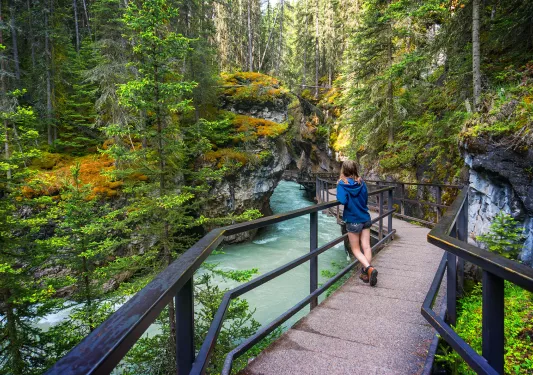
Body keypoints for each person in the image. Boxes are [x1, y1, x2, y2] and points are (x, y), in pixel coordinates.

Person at [336, 160, 378, 286]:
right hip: (365, 218)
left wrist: (340, 185)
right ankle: (366, 274)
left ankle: (369, 268)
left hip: (353, 219)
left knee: (355, 249)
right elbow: (365, 199)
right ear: (355, 169)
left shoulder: (342, 184)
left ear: (344, 170)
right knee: (366, 246)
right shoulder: (361, 182)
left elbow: (342, 200)